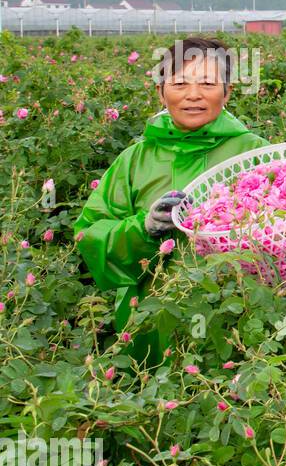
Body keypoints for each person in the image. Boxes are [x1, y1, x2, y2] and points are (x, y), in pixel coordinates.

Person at [74, 37, 267, 362]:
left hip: (234, 311)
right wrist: (143, 229)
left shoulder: (253, 152)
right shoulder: (135, 160)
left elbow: (284, 230)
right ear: (161, 92)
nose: (193, 95)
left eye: (207, 83)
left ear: (228, 91)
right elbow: (90, 235)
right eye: (179, 83)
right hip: (150, 317)